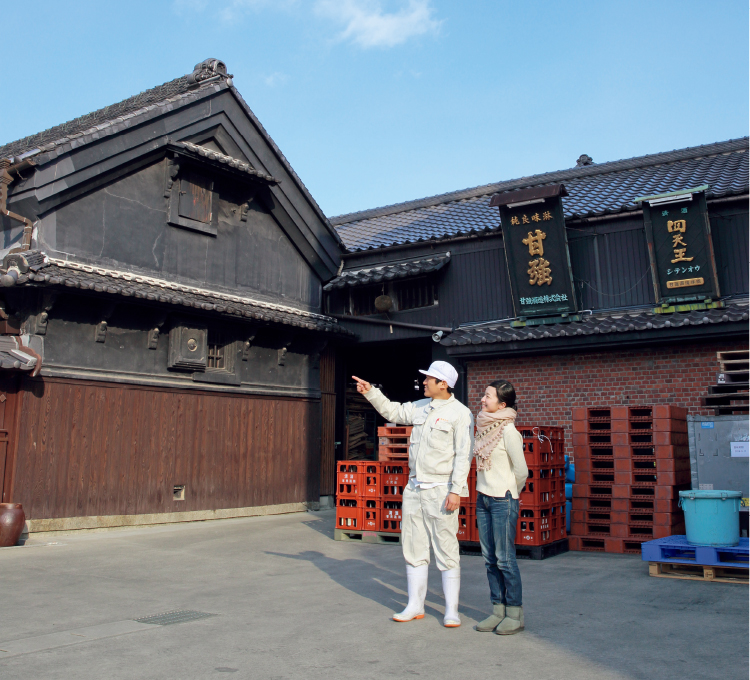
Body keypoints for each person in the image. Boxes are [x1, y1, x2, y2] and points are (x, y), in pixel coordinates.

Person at [352, 361, 473, 628]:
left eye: (429, 378)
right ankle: (414, 605)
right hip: (415, 488)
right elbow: (392, 410)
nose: (424, 382)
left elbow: (463, 455)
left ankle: (451, 610)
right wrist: (370, 391)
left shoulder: (460, 414)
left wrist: (456, 491)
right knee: (413, 546)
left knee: (446, 548)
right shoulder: (419, 407)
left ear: (443, 383)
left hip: (441, 490)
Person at [473, 380, 528, 635]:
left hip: (503, 500)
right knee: (489, 559)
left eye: (488, 397)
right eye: (484, 395)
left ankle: (514, 613)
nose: (482, 400)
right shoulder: (483, 426)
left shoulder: (508, 431)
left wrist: (509, 492)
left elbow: (522, 471)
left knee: (505, 559)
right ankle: (497, 610)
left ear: (502, 404)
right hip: (482, 498)